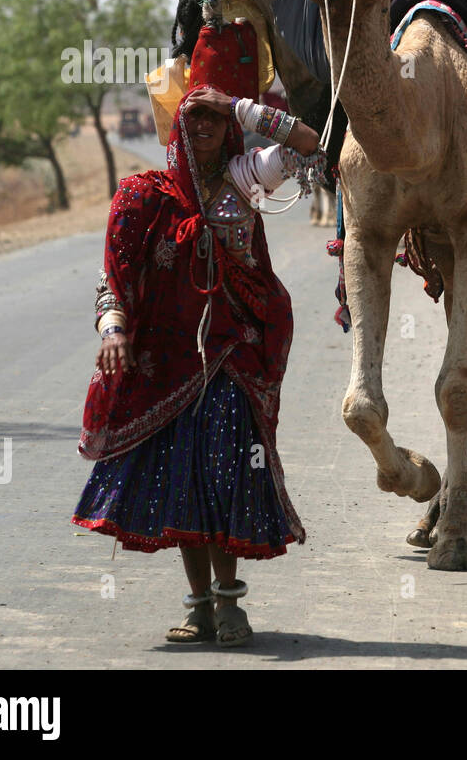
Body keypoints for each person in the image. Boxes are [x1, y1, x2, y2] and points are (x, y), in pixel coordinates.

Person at [73, 56, 322, 648]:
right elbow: (116, 275)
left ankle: (232, 606)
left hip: (232, 354)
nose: (206, 128)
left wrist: (244, 107)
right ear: (178, 128)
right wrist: (113, 329)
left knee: (225, 471)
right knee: (183, 478)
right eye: (196, 118)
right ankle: (201, 605)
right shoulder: (143, 197)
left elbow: (313, 145)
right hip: (170, 366)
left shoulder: (244, 175)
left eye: (215, 119)